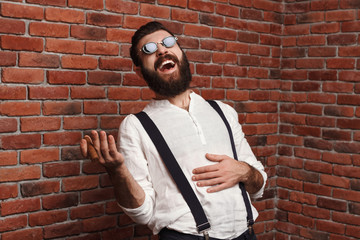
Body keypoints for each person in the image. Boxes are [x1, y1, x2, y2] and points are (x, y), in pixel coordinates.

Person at [80, 21, 267, 240]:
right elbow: (142, 213)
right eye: (148, 49)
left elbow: (259, 185)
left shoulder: (223, 112)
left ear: (181, 54)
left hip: (247, 234)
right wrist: (117, 170)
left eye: (168, 42)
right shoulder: (136, 126)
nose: (161, 49)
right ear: (140, 72)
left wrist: (245, 171)